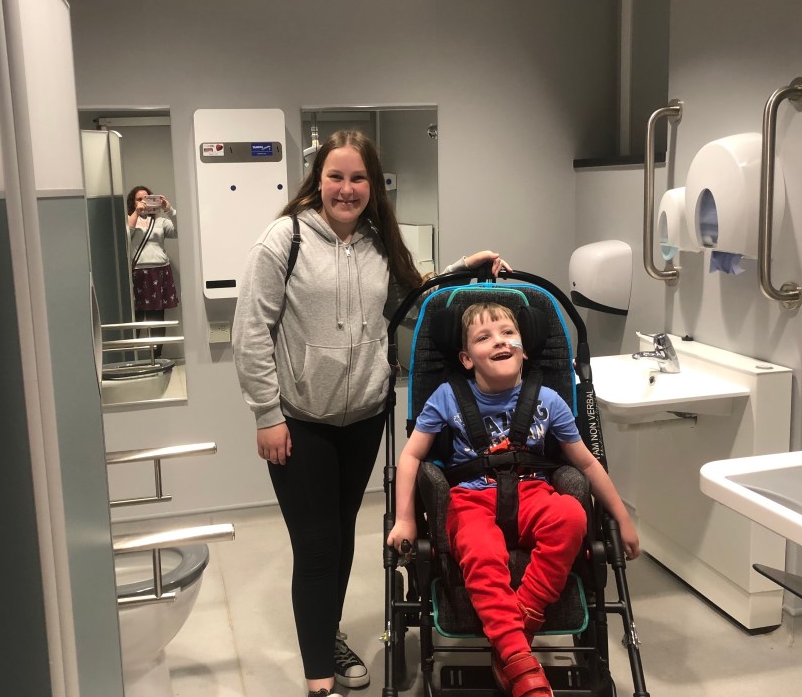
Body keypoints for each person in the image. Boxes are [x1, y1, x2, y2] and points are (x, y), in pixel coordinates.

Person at [233, 129, 510, 697]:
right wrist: (266, 414)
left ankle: (326, 635)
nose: (347, 188)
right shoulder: (283, 239)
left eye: (358, 178)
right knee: (316, 547)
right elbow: (251, 331)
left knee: (340, 538)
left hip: (363, 418)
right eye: (335, 176)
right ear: (317, 180)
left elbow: (416, 300)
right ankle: (319, 683)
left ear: (372, 185)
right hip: (300, 421)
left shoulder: (378, 242)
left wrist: (464, 269)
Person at [386, 302, 639, 697]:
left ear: (524, 349)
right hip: (470, 499)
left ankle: (518, 631)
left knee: (572, 515)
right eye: (484, 337)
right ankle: (520, 662)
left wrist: (621, 519)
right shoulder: (447, 397)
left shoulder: (549, 400)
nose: (499, 341)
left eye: (508, 333)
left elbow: (587, 464)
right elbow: (411, 456)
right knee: (480, 548)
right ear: (467, 359)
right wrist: (405, 518)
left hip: (533, 493)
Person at [126, 185, 178, 358]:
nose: (143, 202)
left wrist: (169, 209)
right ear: (133, 202)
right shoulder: (129, 219)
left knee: (157, 317)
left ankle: (156, 356)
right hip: (138, 273)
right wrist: (136, 213)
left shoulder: (160, 221)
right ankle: (133, 357)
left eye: (146, 198)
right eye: (139, 199)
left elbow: (180, 231)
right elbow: (125, 235)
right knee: (136, 316)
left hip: (160, 271)